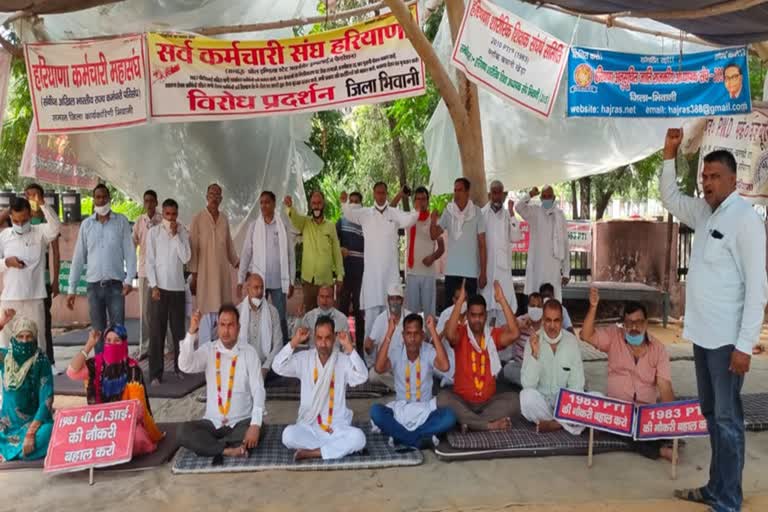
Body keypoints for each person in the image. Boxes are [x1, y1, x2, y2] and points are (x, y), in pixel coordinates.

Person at [661, 128, 768, 512]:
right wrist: (669, 155)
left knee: (727, 420)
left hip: (728, 344)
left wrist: (744, 345)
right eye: (704, 177)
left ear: (732, 179)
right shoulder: (703, 212)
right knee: (712, 416)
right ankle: (715, 487)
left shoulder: (745, 220)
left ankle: (729, 500)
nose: (706, 183)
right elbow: (670, 196)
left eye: (714, 177)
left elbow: (758, 288)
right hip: (703, 339)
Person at [580, 287, 675, 460]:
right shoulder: (613, 336)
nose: (633, 327)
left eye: (638, 322)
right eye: (628, 322)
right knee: (614, 421)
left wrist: (669, 420)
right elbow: (585, 335)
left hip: (645, 412)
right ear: (623, 324)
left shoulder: (659, 349)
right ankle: (657, 450)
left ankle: (651, 436)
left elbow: (665, 387)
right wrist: (593, 307)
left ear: (646, 323)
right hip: (618, 411)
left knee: (648, 426)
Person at [273, 317, 367, 461]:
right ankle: (334, 449)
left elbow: (362, 376)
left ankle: (312, 453)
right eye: (319, 338)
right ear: (314, 338)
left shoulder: (342, 360)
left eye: (328, 338)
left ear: (335, 338)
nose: (323, 343)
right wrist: (294, 342)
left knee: (359, 438)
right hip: (310, 427)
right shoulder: (304, 359)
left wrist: (349, 348)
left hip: (336, 427)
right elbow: (277, 366)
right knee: (288, 435)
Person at [177, 306, 265, 460]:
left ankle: (214, 447)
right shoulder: (208, 350)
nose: (226, 330)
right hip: (213, 422)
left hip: (241, 421)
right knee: (183, 431)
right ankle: (228, 449)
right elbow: (185, 365)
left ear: (238, 327)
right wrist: (191, 332)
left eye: (230, 325)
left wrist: (255, 425)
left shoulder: (249, 353)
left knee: (259, 428)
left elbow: (258, 389)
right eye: (222, 325)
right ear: (217, 327)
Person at [67, 325, 164, 455]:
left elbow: (139, 409)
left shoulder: (132, 369)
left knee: (138, 437)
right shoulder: (96, 364)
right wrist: (89, 345)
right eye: (108, 341)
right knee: (75, 436)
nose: (112, 344)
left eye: (117, 341)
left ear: (124, 343)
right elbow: (72, 372)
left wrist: (116, 421)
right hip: (99, 425)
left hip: (125, 424)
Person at [437, 282, 521, 432]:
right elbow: (449, 334)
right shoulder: (461, 333)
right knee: (442, 399)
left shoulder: (492, 336)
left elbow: (514, 334)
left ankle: (467, 422)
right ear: (468, 315)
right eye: (473, 315)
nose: (477, 320)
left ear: (486, 315)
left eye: (480, 315)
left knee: (516, 401)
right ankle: (488, 425)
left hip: (488, 403)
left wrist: (501, 300)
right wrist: (460, 303)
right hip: (462, 401)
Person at [340, 184, 418, 338]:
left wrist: (417, 209)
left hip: (390, 277)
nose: (381, 195)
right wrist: (343, 202)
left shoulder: (395, 213)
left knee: (392, 317)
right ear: (373, 193)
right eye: (378, 193)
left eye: (383, 193)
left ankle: (391, 355)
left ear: (386, 194)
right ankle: (369, 361)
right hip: (372, 279)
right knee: (371, 320)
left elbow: (410, 219)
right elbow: (349, 214)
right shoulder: (365, 214)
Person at [67, 184, 136, 352]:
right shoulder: (86, 225)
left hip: (115, 286)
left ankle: (119, 369)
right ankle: (100, 370)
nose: (101, 200)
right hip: (94, 287)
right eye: (98, 197)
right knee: (97, 332)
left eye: (104, 197)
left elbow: (130, 252)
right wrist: (72, 288)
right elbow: (78, 257)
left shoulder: (121, 222)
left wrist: (129, 280)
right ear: (93, 200)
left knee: (118, 330)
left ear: (109, 199)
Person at [370, 313, 456, 448]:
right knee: (376, 412)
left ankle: (401, 437)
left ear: (422, 335)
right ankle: (419, 439)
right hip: (401, 411)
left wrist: (433, 331)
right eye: (408, 334)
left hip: (425, 410)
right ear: (403, 336)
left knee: (449, 417)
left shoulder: (428, 350)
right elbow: (379, 368)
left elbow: (445, 366)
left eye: (416, 334)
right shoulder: (397, 351)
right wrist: (390, 331)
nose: (412, 338)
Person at [0, 196, 60, 351]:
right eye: (16, 221)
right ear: (11, 217)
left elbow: (55, 227)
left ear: (30, 215)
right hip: (10, 298)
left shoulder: (40, 232)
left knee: (38, 341)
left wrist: (43, 204)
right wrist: (7, 262)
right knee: (6, 343)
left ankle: (39, 374)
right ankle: (7, 375)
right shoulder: (4, 236)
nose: (20, 224)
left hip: (35, 299)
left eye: (24, 220)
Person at [520, 299, 585, 434]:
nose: (552, 326)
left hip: (564, 403)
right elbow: (527, 384)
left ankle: (554, 424)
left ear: (562, 321)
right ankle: (564, 424)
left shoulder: (571, 342)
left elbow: (577, 385)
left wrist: (567, 407)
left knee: (594, 398)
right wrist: (535, 354)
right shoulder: (533, 340)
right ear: (543, 320)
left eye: (556, 321)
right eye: (548, 320)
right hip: (542, 402)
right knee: (526, 397)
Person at [239, 191, 295, 345]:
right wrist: (240, 278)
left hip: (278, 282)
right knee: (257, 315)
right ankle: (258, 349)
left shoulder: (282, 225)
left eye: (267, 202)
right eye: (261, 202)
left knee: (280, 316)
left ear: (274, 204)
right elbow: (246, 253)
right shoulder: (254, 226)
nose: (264, 205)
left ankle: (283, 350)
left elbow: (291, 254)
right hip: (259, 282)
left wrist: (291, 280)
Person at [145, 198, 191, 385]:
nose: (170, 218)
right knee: (157, 332)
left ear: (177, 214)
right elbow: (150, 261)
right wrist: (154, 285)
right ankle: (156, 373)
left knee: (179, 332)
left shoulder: (182, 233)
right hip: (158, 289)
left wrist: (175, 236)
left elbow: (186, 256)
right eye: (167, 214)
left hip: (177, 288)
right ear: (162, 214)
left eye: (173, 214)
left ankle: (181, 368)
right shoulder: (153, 233)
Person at [189, 183, 239, 344]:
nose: (214, 197)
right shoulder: (198, 218)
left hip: (222, 273)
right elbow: (194, 248)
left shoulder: (224, 219)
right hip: (204, 274)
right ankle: (204, 351)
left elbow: (229, 244)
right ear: (206, 196)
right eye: (211, 194)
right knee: (204, 310)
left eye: (218, 195)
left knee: (222, 310)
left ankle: (222, 347)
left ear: (221, 198)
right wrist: (194, 275)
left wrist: (237, 262)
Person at [0, 314, 54, 461]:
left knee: (47, 433)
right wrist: (1, 323)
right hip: (6, 423)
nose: (24, 341)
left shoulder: (41, 361)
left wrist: (30, 433)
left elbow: (46, 400)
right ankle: (19, 452)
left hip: (33, 422)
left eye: (29, 337)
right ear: (13, 338)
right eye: (20, 336)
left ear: (35, 338)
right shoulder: (4, 358)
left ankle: (8, 452)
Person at [284, 192, 344, 313]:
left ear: (324, 204)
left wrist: (340, 276)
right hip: (308, 282)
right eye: (314, 203)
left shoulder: (330, 226)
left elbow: (337, 253)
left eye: (319, 203)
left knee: (326, 316)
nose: (316, 206)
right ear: (311, 205)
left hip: (326, 283)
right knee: (310, 317)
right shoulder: (305, 223)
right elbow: (295, 218)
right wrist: (290, 207)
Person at [430, 178, 487, 305]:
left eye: (460, 190)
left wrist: (483, 272)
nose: (456, 193)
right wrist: (433, 221)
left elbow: (482, 245)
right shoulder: (448, 211)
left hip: (471, 272)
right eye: (455, 190)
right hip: (451, 271)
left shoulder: (477, 212)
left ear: (468, 192)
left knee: (470, 311)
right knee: (450, 311)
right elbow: (434, 235)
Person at [25, 184, 61, 372]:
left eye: (35, 194)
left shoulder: (47, 221)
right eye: (29, 195)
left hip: (43, 281)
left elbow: (56, 252)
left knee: (45, 322)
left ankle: (50, 361)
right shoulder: (22, 220)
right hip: (24, 284)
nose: (32, 198)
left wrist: (55, 280)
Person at [516, 186, 569, 301]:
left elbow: (565, 244)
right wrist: (530, 194)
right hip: (537, 268)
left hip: (553, 268)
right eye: (544, 197)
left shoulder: (560, 216)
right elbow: (518, 207)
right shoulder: (534, 212)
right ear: (540, 198)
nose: (546, 199)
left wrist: (566, 272)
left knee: (554, 303)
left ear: (554, 197)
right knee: (536, 301)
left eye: (549, 196)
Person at [481, 180, 522, 323]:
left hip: (503, 270)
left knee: (503, 311)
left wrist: (512, 214)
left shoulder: (507, 216)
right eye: (494, 192)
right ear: (490, 194)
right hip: (486, 270)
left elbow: (516, 237)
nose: (497, 195)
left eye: (500, 192)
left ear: (503, 194)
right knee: (484, 310)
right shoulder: (482, 214)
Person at [404, 187, 444, 318]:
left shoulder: (433, 220)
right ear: (414, 201)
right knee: (411, 313)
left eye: (424, 199)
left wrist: (432, 257)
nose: (421, 202)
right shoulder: (409, 218)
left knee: (429, 314)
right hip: (412, 272)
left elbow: (441, 248)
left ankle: (429, 337)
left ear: (428, 201)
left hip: (428, 273)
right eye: (418, 199)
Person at [133, 190, 162, 360]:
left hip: (161, 273)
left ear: (156, 202)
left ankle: (163, 346)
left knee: (160, 311)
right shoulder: (139, 222)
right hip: (144, 272)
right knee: (145, 312)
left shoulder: (162, 221)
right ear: (144, 203)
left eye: (152, 200)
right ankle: (144, 347)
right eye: (146, 201)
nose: (149, 204)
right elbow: (132, 243)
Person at [236, 273, 282, 381]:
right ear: (248, 289)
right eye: (256, 288)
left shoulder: (272, 312)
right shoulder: (238, 311)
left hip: (266, 367)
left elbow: (278, 344)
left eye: (262, 288)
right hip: (242, 366)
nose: (260, 292)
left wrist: (265, 368)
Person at [365, 284, 410, 389]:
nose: (394, 302)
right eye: (391, 299)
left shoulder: (410, 317)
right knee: (373, 375)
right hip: (386, 367)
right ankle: (402, 387)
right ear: (388, 300)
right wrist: (368, 346)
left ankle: (398, 386)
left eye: (397, 299)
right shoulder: (380, 319)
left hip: (405, 366)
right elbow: (369, 348)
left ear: (402, 300)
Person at [336, 191, 365, 352]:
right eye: (351, 201)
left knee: (360, 311)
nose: (353, 203)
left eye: (356, 201)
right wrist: (339, 248)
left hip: (361, 273)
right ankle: (341, 346)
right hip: (345, 272)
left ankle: (359, 348)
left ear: (361, 204)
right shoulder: (341, 221)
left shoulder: (366, 222)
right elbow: (332, 241)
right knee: (342, 310)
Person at [501, 292, 544, 386]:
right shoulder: (521, 320)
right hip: (521, 366)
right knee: (508, 369)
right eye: (533, 305)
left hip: (540, 366)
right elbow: (502, 330)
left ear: (543, 308)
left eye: (539, 306)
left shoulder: (546, 324)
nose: (536, 309)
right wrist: (519, 326)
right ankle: (533, 384)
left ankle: (531, 384)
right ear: (528, 307)